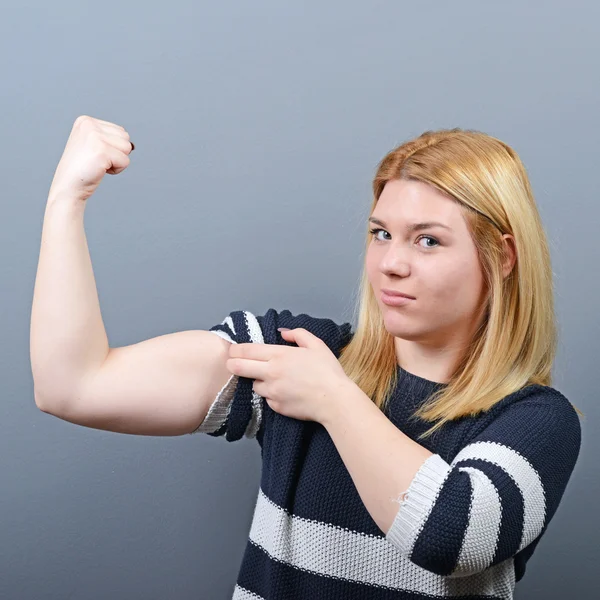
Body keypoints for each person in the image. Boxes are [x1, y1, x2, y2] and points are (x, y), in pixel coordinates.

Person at [30, 117, 583, 600]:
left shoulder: (536, 422)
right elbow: (72, 386)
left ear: (502, 257)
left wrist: (334, 399)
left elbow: (450, 536)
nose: (391, 263)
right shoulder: (297, 354)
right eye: (381, 233)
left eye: (428, 241)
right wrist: (65, 202)